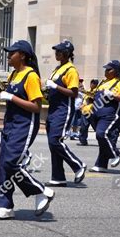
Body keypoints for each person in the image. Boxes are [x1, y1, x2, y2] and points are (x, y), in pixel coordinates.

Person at [0, 40, 54, 220]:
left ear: (22, 55)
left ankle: (41, 190)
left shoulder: (31, 76)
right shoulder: (14, 74)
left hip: (24, 125)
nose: (8, 56)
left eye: (12, 53)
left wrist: (11, 97)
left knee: (11, 163)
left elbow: (36, 107)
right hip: (10, 125)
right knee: (3, 166)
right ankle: (5, 206)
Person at [44, 41, 86, 187]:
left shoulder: (71, 70)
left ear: (67, 54)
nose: (57, 54)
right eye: (56, 51)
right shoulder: (57, 69)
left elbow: (74, 93)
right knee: (52, 143)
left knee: (56, 140)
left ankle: (78, 165)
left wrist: (55, 86)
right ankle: (58, 176)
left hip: (63, 110)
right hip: (53, 109)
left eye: (60, 52)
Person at [89, 60, 120, 172]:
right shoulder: (103, 82)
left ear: (116, 71)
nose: (106, 71)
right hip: (97, 114)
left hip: (111, 115)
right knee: (101, 138)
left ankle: (116, 154)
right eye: (105, 69)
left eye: (109, 69)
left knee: (101, 134)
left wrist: (113, 94)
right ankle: (101, 164)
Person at [77, 79, 99, 146]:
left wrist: (84, 91)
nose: (92, 84)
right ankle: (83, 141)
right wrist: (82, 106)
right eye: (92, 83)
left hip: (92, 112)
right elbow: (86, 101)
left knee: (96, 127)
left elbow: (93, 97)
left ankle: (103, 141)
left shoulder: (97, 91)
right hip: (85, 112)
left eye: (94, 83)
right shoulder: (88, 91)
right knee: (83, 127)